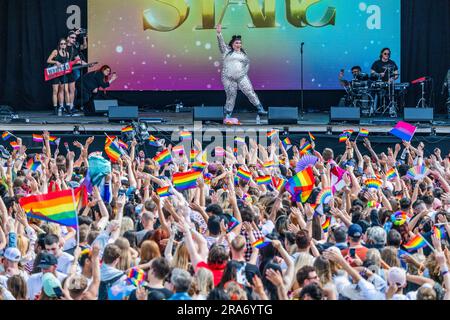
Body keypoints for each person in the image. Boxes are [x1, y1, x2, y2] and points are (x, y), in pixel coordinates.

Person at [216, 24, 267, 120]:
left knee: (250, 92)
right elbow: (221, 44)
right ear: (232, 44)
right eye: (236, 43)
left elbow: (247, 64)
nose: (238, 44)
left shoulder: (244, 54)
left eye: (240, 43)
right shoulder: (226, 52)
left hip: (241, 77)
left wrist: (242, 74)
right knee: (231, 95)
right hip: (228, 78)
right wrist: (219, 34)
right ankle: (228, 113)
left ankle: (260, 108)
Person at [46, 38, 70, 115]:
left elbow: (67, 64)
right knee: (55, 91)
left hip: (63, 73)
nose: (63, 45)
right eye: (61, 44)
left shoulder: (67, 53)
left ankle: (62, 107)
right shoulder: (55, 51)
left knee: (62, 91)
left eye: (64, 44)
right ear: (59, 45)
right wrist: (56, 61)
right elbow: (48, 60)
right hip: (56, 73)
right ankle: (55, 108)